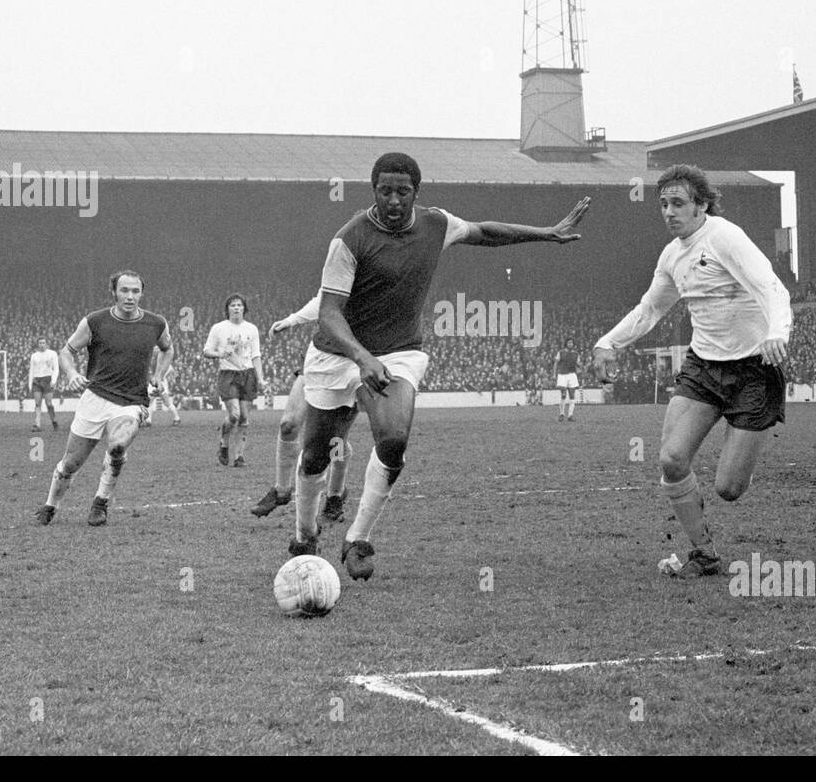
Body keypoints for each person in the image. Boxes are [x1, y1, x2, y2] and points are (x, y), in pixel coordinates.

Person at [289, 152, 589, 580]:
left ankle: (358, 538)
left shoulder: (436, 224)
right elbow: (330, 313)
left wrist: (546, 233)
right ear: (373, 191)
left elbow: (485, 232)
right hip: (337, 354)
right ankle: (304, 535)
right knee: (317, 454)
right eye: (384, 191)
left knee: (393, 439)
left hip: (396, 352)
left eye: (403, 191)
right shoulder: (349, 239)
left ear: (417, 192)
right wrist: (361, 357)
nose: (393, 200)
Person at [593, 164, 792, 579]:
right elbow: (650, 309)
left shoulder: (725, 237)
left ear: (702, 205)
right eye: (663, 204)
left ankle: (744, 447)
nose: (669, 211)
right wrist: (607, 342)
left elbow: (772, 287)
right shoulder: (672, 255)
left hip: (754, 370)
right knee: (671, 458)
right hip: (702, 369)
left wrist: (777, 332)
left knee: (729, 489)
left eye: (678, 203)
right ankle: (704, 554)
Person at [32, 271, 172, 527]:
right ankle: (51, 504)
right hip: (95, 398)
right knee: (71, 464)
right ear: (114, 292)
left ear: (142, 293)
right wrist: (72, 372)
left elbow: (167, 348)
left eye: (135, 291)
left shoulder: (156, 323)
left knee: (117, 447)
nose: (130, 296)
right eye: (124, 291)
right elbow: (67, 351)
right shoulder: (95, 321)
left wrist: (159, 375)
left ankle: (101, 502)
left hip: (132, 401)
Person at [251, 292, 358, 531]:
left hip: (354, 364)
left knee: (337, 442)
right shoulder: (342, 261)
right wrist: (292, 320)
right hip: (320, 357)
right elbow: (324, 298)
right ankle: (281, 490)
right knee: (288, 424)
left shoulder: (377, 271)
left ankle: (335, 495)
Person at [202, 294, 266, 467]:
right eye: (233, 305)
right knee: (234, 414)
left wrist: (260, 378)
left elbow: (256, 355)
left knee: (244, 418)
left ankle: (239, 457)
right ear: (227, 309)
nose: (236, 307)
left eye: (239, 305)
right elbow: (207, 351)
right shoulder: (219, 328)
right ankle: (224, 443)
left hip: (248, 374)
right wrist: (221, 354)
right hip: (228, 374)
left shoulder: (251, 329)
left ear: (244, 308)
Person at [29, 338, 60, 432]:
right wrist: (30, 384)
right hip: (37, 380)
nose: (42, 344)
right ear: (37, 344)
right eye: (40, 343)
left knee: (48, 403)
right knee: (37, 403)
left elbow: (56, 368)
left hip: (47, 379)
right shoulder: (34, 356)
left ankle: (53, 421)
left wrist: (54, 380)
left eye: (43, 342)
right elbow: (31, 370)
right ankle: (37, 424)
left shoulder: (52, 354)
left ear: (46, 344)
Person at [144, 362, 181, 427]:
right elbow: (171, 369)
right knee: (149, 402)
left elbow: (171, 369)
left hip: (159, 382)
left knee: (167, 402)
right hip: (155, 382)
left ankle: (177, 418)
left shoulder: (159, 360)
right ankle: (148, 420)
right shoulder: (159, 360)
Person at [554, 341, 580, 421]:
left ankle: (570, 415)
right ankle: (561, 414)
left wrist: (579, 366)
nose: (570, 344)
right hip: (562, 374)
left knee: (572, 395)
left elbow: (578, 364)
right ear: (566, 344)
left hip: (572, 375)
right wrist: (554, 374)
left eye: (572, 343)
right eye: (569, 343)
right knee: (563, 394)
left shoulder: (576, 354)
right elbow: (556, 363)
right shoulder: (561, 352)